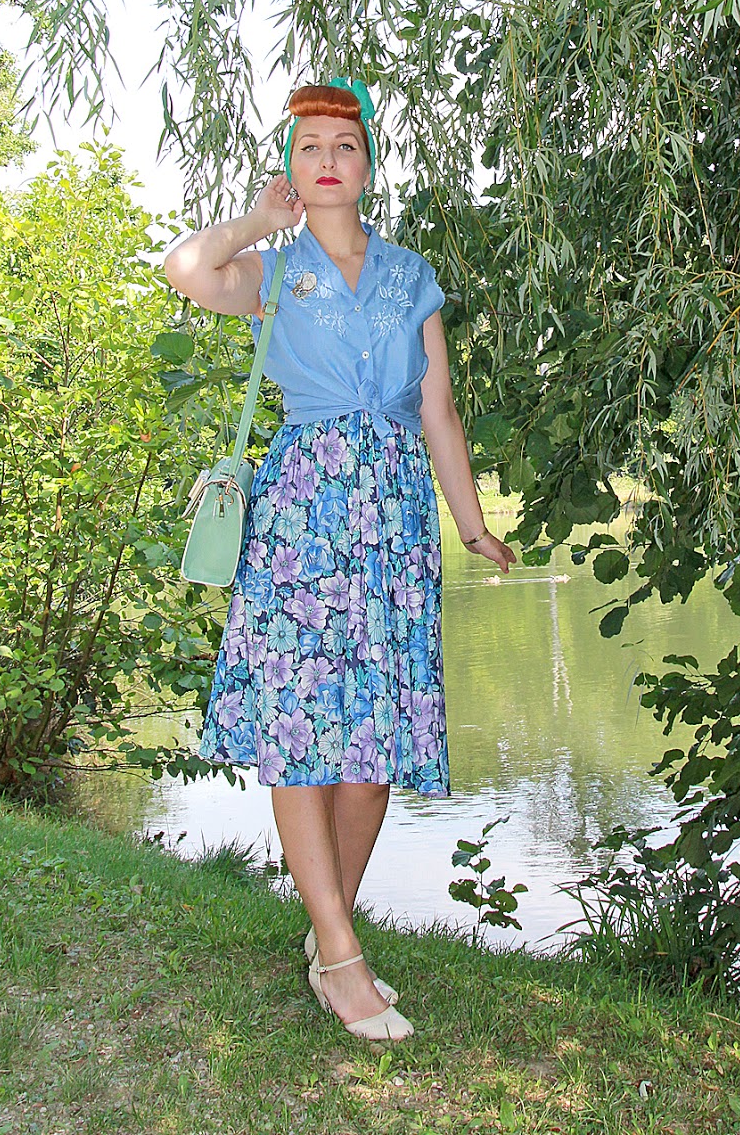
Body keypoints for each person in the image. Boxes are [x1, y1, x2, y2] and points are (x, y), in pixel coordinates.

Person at [164, 79, 515, 1041]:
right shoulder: (274, 272)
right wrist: (256, 220)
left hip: (394, 521)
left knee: (371, 758)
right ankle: (343, 955)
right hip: (304, 518)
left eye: (344, 146)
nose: (327, 159)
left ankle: (330, 940)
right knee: (300, 733)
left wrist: (472, 523)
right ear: (292, 168)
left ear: (367, 166)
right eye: (309, 146)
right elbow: (186, 267)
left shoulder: (411, 276)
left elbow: (439, 411)